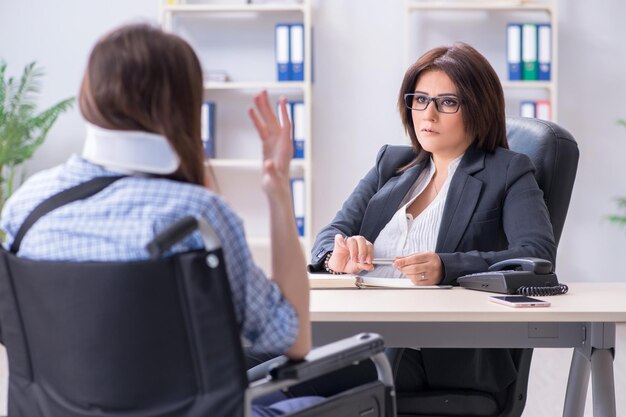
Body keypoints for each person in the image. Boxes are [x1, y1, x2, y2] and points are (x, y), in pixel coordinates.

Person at [0, 24, 320, 416]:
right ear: (184, 106)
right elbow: (293, 339)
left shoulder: (26, 209)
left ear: (89, 94)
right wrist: (278, 192)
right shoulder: (196, 220)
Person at [309, 42, 556, 401]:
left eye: (447, 102)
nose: (428, 114)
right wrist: (338, 254)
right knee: (236, 359)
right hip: (359, 333)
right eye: (420, 99)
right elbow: (331, 234)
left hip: (436, 354)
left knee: (259, 381)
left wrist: (446, 267)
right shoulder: (391, 164)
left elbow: (536, 256)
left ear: (478, 108)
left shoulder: (508, 170)